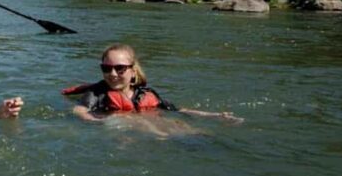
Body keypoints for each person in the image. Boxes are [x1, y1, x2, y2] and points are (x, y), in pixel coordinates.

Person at [64, 43, 242, 123]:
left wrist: (214, 116)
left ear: (133, 70)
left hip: (149, 125)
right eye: (106, 68)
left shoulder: (145, 94)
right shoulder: (97, 93)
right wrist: (103, 120)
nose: (112, 74)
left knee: (183, 130)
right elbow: (79, 110)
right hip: (124, 132)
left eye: (120, 68)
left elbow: (179, 110)